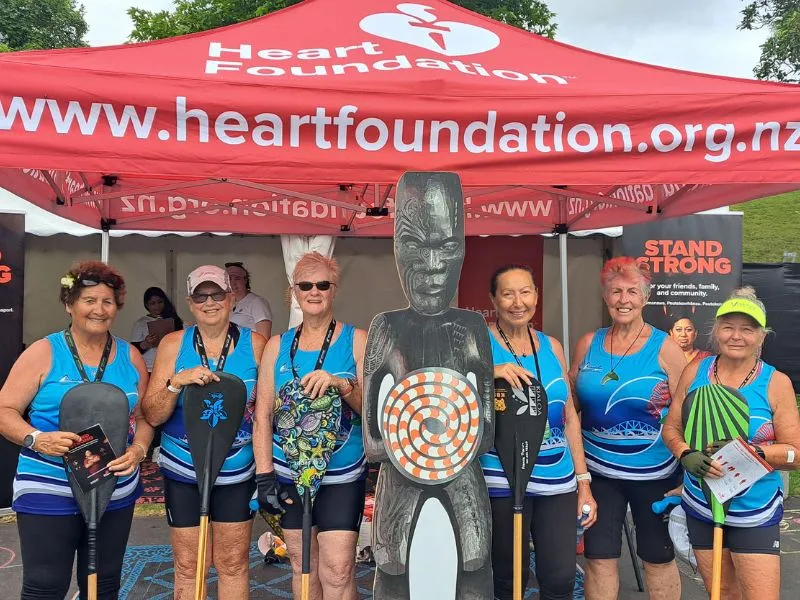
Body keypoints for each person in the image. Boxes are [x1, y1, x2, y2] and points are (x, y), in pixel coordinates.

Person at [0, 260, 153, 599]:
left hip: (114, 484)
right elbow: (4, 410)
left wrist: (139, 450)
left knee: (103, 584)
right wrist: (37, 439)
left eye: (108, 302)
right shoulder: (44, 352)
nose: (99, 309)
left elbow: (143, 417)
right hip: (49, 483)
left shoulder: (130, 355)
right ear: (69, 304)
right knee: (45, 585)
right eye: (89, 300)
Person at [663, 287, 800, 600]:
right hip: (702, 505)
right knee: (721, 592)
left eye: (747, 329)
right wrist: (685, 454)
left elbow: (795, 453)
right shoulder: (695, 371)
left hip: (755, 509)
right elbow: (671, 428)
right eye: (728, 327)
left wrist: (752, 452)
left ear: (761, 337)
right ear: (716, 332)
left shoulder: (776, 383)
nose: (736, 336)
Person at [141, 265, 266, 599]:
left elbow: (269, 410)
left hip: (236, 469)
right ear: (190, 302)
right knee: (187, 565)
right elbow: (152, 415)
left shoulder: (256, 345)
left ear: (231, 297)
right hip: (183, 467)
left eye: (217, 294)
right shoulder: (172, 344)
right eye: (201, 295)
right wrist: (175, 383)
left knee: (233, 563)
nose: (209, 302)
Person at [569, 256, 686, 600]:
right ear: (605, 298)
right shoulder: (588, 342)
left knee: (658, 557)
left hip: (656, 473)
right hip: (598, 475)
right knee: (599, 557)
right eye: (616, 291)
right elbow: (571, 403)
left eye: (632, 291)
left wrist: (688, 473)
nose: (624, 299)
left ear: (645, 298)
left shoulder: (665, 347)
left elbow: (686, 412)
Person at [253, 251, 367, 600]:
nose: (314, 291)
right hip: (290, 474)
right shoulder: (277, 345)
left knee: (337, 570)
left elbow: (373, 411)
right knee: (304, 569)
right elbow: (262, 415)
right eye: (305, 285)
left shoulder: (357, 340)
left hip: (340, 473)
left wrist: (340, 383)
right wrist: (264, 476)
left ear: (334, 289)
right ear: (294, 292)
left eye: (322, 284)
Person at [481, 264, 597, 600]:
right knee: (507, 577)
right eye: (507, 293)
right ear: (493, 299)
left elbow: (569, 417)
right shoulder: (479, 343)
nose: (518, 302)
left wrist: (583, 482)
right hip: (502, 479)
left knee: (560, 578)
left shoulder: (553, 346)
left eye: (525, 292)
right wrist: (491, 370)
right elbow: (451, 391)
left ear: (536, 295)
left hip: (557, 480)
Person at [131, 286, 184, 373]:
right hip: (149, 368)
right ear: (147, 305)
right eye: (153, 303)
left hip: (171, 366)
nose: (157, 306)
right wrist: (146, 343)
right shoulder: (140, 323)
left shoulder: (174, 319)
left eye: (160, 302)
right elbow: (134, 349)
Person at [226, 261, 273, 339]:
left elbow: (264, 338)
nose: (232, 283)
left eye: (237, 278)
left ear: (245, 280)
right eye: (229, 279)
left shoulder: (257, 303)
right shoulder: (227, 304)